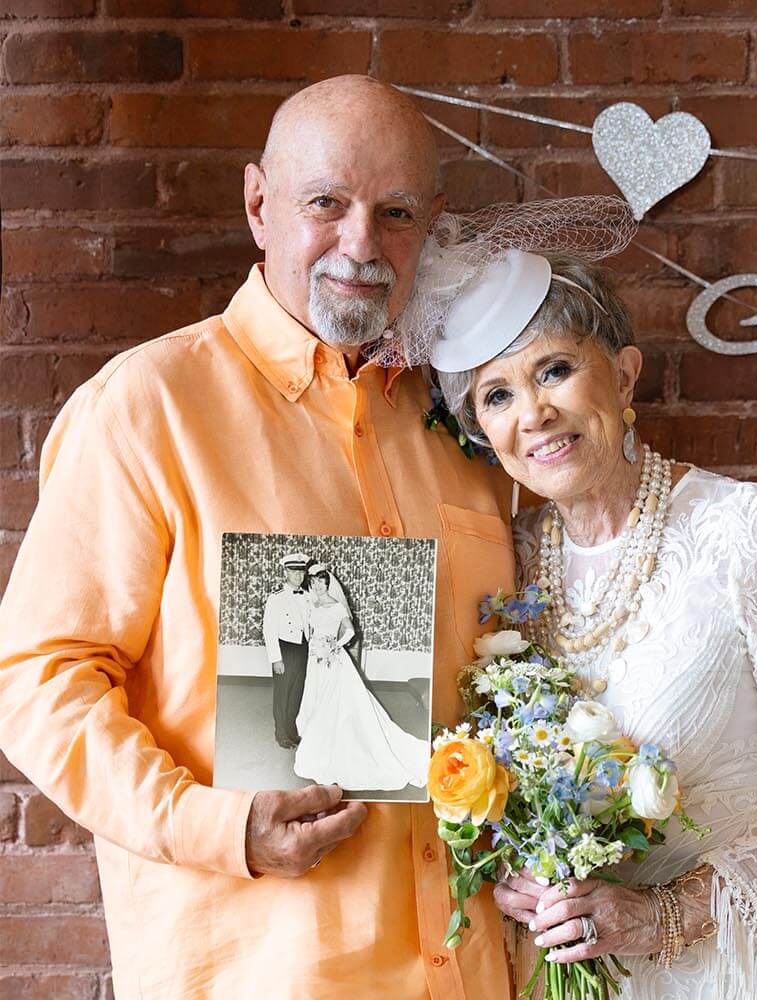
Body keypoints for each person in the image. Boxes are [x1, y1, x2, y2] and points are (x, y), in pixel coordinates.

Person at [0, 76, 517, 999]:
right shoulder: (148, 408)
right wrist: (218, 827)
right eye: (327, 203)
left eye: (396, 212)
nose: (361, 244)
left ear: (432, 225)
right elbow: (36, 681)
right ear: (257, 205)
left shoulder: (474, 426)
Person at [421, 245, 757, 999]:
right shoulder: (508, 563)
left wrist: (663, 915)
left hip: (721, 975)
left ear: (624, 374)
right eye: (497, 395)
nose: (534, 414)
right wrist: (512, 870)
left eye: (554, 370)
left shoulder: (743, 529)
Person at [293, 563, 429, 791]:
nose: (317, 586)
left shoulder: (336, 606)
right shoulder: (312, 604)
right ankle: (315, 738)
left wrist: (334, 645)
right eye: (314, 582)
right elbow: (312, 630)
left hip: (332, 658)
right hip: (315, 659)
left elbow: (350, 631)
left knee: (333, 701)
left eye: (321, 582)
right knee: (315, 695)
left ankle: (332, 745)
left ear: (327, 583)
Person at [262, 551, 312, 748]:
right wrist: (276, 658)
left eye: (301, 572)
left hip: (303, 647)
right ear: (286, 572)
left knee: (297, 693)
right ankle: (281, 733)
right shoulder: (276, 598)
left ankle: (292, 730)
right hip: (285, 648)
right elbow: (269, 630)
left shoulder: (307, 596)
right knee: (283, 693)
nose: (298, 576)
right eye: (294, 571)